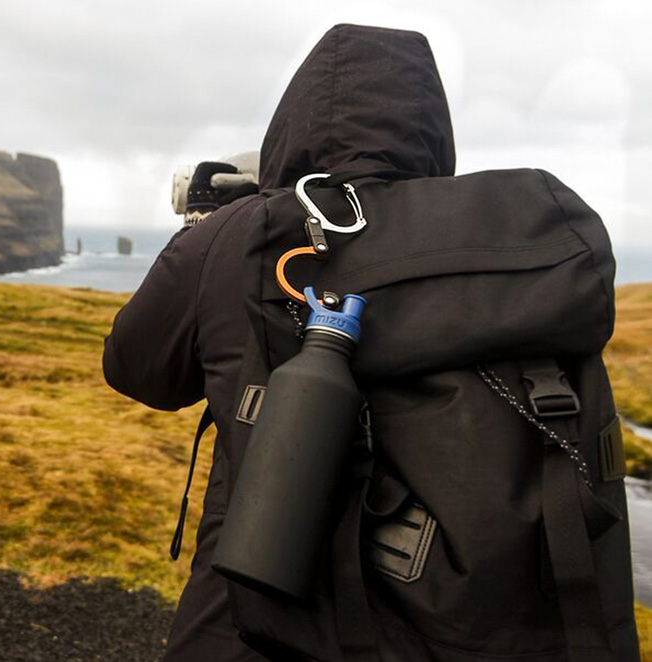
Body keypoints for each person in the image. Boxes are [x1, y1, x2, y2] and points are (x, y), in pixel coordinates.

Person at [103, 23, 456, 660]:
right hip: (458, 610)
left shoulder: (242, 234)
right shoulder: (477, 247)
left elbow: (137, 369)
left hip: (253, 618)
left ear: (294, 117)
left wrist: (204, 237)